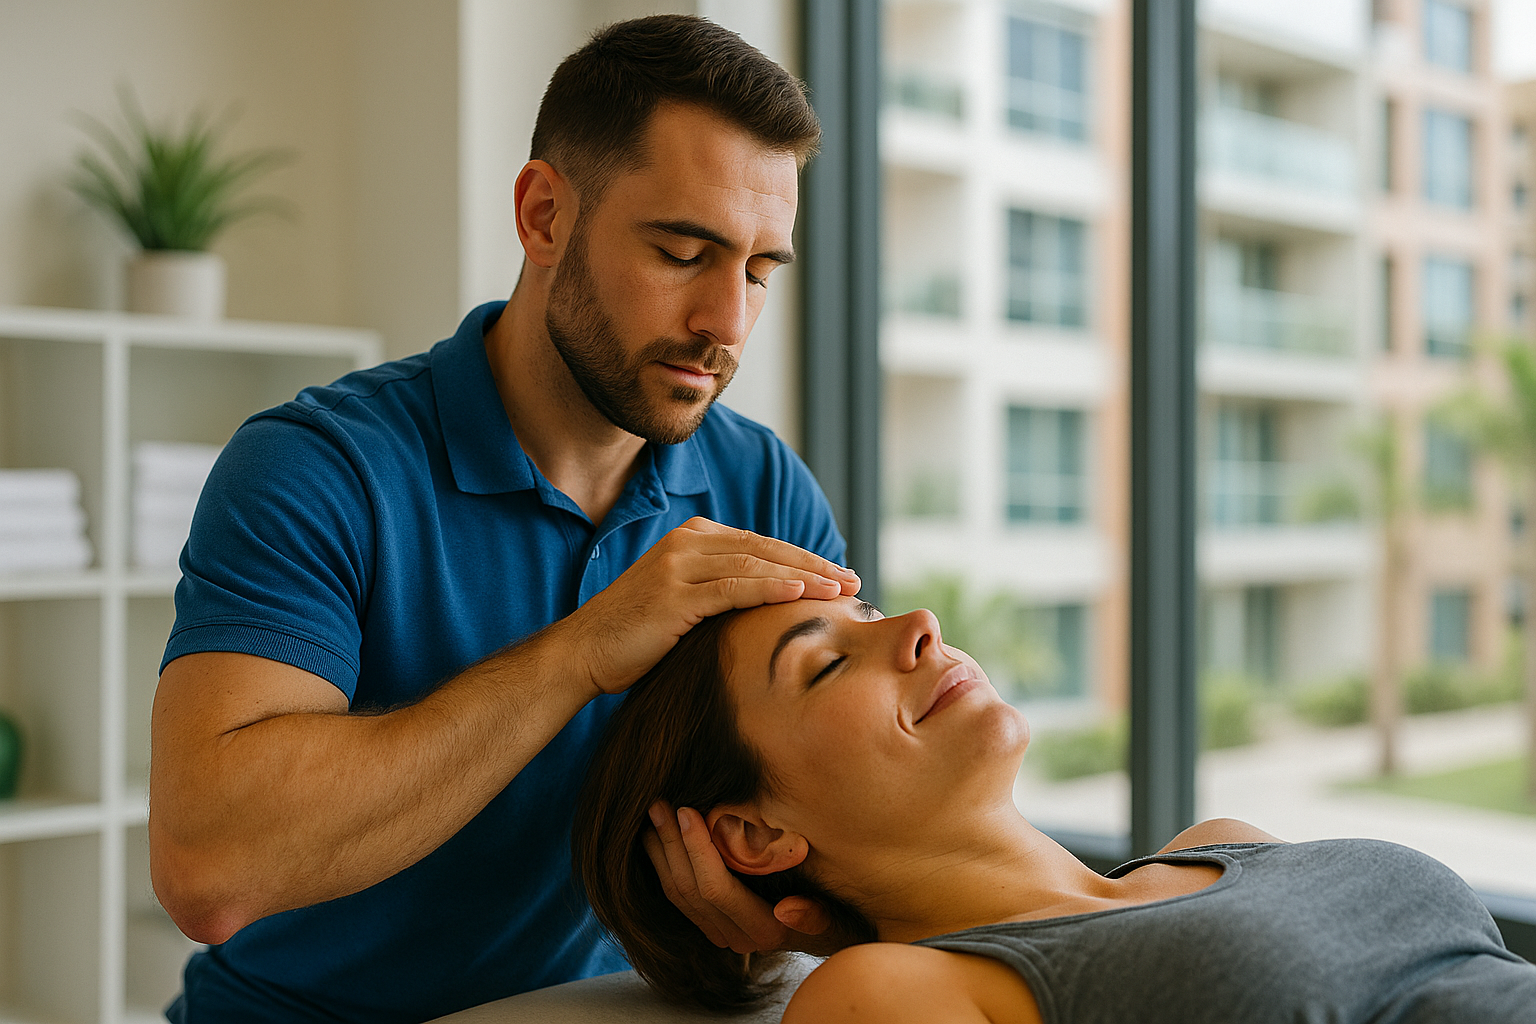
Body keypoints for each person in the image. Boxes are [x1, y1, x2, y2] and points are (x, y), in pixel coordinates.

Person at [147, 15, 859, 1023]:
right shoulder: (319, 469)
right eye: (681, 250)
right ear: (543, 216)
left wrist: (800, 909)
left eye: (755, 270)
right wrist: (584, 650)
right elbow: (207, 868)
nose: (726, 324)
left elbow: (856, 815)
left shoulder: (763, 488)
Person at [574, 596, 1536, 1022]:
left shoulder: (1221, 844)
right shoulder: (885, 995)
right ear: (755, 834)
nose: (918, 627)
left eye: (873, 615)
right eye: (828, 664)